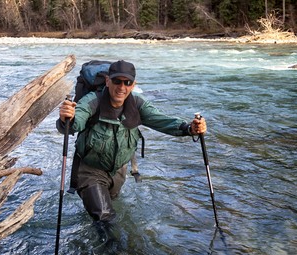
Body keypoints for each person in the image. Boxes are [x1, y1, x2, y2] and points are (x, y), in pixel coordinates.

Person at [57, 60, 206, 230]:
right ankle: (116, 254)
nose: (122, 87)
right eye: (117, 81)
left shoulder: (137, 103)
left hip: (119, 172)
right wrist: (66, 118)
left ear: (133, 84)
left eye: (127, 82)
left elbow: (162, 120)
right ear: (107, 81)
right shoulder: (92, 101)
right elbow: (74, 123)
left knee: (104, 212)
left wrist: (190, 128)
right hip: (90, 171)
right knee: (106, 219)